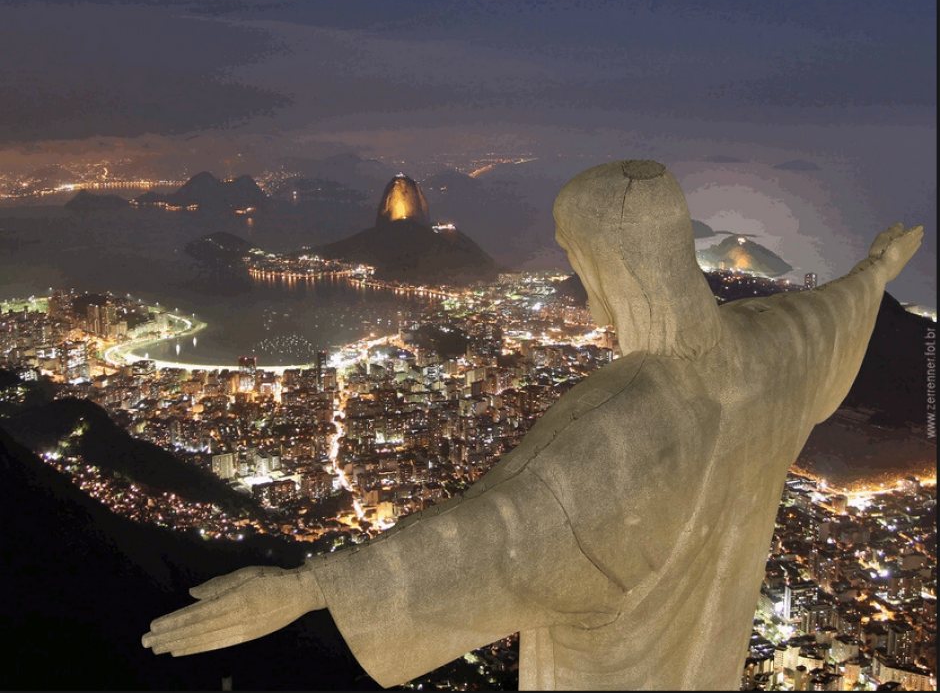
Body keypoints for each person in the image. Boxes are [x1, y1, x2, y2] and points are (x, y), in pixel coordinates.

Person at [143, 160, 922, 690]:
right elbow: (834, 312)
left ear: (608, 265)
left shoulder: (619, 423)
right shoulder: (770, 349)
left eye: (576, 258)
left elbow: (492, 534)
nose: (578, 284)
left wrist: (307, 589)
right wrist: (878, 270)